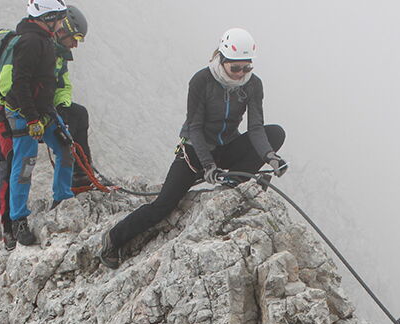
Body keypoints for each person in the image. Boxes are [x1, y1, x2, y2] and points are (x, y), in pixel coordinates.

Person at [98, 28, 288, 269]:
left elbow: (257, 127)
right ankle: (114, 238)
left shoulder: (253, 85)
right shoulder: (202, 81)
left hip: (227, 146)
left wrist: (270, 157)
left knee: (276, 133)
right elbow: (195, 127)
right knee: (163, 206)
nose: (241, 74)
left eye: (246, 68)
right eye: (236, 68)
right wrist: (208, 166)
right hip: (195, 152)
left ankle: (234, 181)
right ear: (222, 59)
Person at [0, 0, 72, 250]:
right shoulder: (30, 43)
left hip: (40, 111)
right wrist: (32, 118)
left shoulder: (43, 40)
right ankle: (18, 219)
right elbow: (19, 84)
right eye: (59, 19)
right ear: (48, 18)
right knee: (23, 162)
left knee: (63, 148)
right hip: (25, 113)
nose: (61, 24)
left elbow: (45, 82)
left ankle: (62, 199)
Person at [51, 5, 96, 190]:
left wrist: (62, 106)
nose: (76, 44)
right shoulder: (42, 49)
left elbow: (64, 85)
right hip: (29, 109)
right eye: (76, 38)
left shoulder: (59, 54)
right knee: (64, 138)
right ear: (62, 31)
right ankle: (67, 186)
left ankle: (82, 173)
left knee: (78, 114)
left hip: (46, 105)